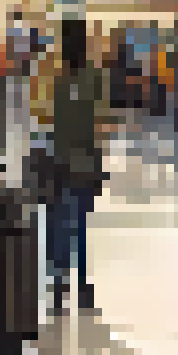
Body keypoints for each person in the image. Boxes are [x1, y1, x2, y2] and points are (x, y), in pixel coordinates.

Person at [47, 18, 109, 314]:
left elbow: (45, 119)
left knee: (59, 222)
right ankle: (82, 283)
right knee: (80, 223)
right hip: (86, 160)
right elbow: (101, 124)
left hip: (59, 160)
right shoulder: (94, 78)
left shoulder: (55, 78)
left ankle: (58, 283)